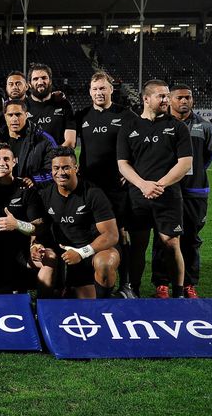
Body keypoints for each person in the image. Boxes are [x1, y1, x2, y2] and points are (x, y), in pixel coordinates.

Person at [117, 79, 193, 298]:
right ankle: (134, 289)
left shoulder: (177, 127)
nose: (166, 100)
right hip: (138, 196)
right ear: (146, 99)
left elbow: (185, 163)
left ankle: (177, 293)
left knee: (171, 243)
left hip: (167, 195)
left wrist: (159, 185)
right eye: (161, 96)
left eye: (167, 95)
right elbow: (123, 164)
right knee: (138, 244)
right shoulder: (129, 127)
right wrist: (143, 185)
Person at [67, 71, 137, 298]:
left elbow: (138, 145)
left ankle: (125, 284)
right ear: (90, 92)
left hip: (117, 188)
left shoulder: (125, 115)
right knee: (90, 231)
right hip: (89, 187)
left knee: (122, 234)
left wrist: (132, 171)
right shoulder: (83, 116)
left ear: (111, 90)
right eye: (95, 89)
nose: (99, 92)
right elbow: (66, 133)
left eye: (103, 88)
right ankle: (88, 278)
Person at [150, 84, 212, 298]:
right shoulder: (159, 124)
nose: (184, 101)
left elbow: (206, 158)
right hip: (167, 191)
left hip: (194, 192)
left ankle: (189, 283)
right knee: (164, 239)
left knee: (191, 239)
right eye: (179, 98)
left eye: (188, 97)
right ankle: (162, 283)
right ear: (169, 100)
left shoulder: (204, 127)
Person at [34, 147, 120, 298]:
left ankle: (105, 305)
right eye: (56, 168)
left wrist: (82, 252)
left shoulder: (93, 194)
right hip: (65, 254)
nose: (60, 172)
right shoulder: (45, 195)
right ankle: (42, 309)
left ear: (76, 168)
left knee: (104, 263)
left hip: (93, 251)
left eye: (66, 167)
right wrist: (35, 245)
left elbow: (111, 235)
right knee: (48, 260)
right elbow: (39, 227)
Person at [0, 143, 53, 296]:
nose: (2, 163)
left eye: (6, 159)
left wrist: (17, 224)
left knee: (50, 258)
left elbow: (40, 225)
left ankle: (45, 308)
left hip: (21, 247)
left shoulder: (25, 189)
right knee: (2, 299)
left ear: (14, 161)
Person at [0, 99, 55, 186]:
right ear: (5, 116)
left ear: (26, 115)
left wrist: (34, 179)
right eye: (10, 115)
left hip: (33, 195)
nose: (14, 119)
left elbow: (54, 171)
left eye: (18, 114)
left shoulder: (44, 141)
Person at [25, 63, 75, 147]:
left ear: (50, 81)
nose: (40, 82)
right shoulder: (23, 107)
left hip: (58, 158)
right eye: (35, 79)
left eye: (44, 78)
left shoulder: (64, 104)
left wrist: (54, 158)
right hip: (32, 159)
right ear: (29, 83)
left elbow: (70, 141)